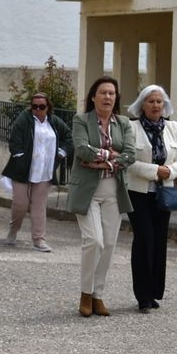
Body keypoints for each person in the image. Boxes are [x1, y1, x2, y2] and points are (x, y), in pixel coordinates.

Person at [66, 76, 135, 317]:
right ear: (93, 97)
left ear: (116, 98)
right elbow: (82, 149)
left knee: (109, 245)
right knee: (94, 241)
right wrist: (111, 155)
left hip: (113, 191)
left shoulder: (124, 123)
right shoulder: (81, 120)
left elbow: (130, 154)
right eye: (103, 93)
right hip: (87, 191)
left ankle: (98, 295)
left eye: (112, 93)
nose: (107, 97)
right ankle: (85, 293)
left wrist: (99, 161)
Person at [125, 85, 177, 313]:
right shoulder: (131, 128)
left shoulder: (172, 127)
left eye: (159, 102)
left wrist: (169, 171)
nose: (155, 106)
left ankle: (153, 292)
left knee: (159, 241)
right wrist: (155, 171)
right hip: (139, 193)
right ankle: (142, 295)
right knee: (144, 239)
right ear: (142, 104)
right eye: (151, 101)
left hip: (164, 194)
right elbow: (128, 161)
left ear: (165, 105)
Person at [1, 92, 72, 252]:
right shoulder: (24, 119)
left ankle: (39, 239)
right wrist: (19, 156)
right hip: (22, 170)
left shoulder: (54, 121)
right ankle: (13, 229)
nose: (38, 110)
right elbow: (14, 139)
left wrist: (61, 153)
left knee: (39, 206)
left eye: (42, 106)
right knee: (21, 204)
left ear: (48, 107)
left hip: (44, 171)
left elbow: (68, 136)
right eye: (34, 106)